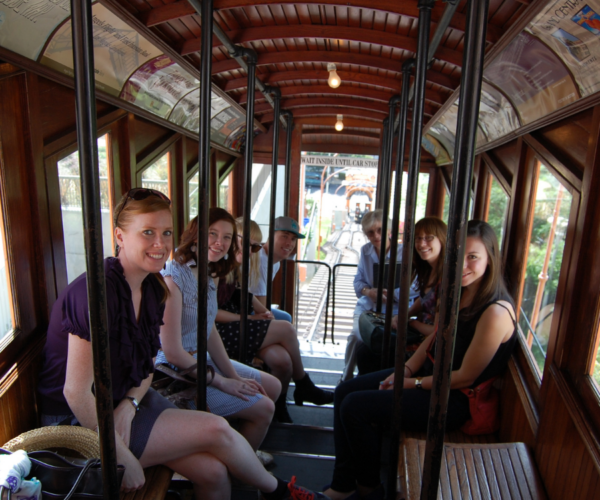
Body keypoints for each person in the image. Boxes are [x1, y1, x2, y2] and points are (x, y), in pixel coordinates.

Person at [37, 189, 327, 500]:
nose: (160, 244)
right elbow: (75, 392)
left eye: (165, 233)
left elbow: (146, 366)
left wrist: (130, 403)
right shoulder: (97, 293)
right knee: (216, 429)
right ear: (120, 236)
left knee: (213, 472)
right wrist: (118, 454)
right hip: (77, 424)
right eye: (147, 232)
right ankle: (282, 493)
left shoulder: (151, 288)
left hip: (124, 403)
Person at [323, 220, 517, 500]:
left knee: (356, 407)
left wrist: (410, 383)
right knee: (344, 392)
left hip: (454, 400)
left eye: (473, 257)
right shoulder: (459, 292)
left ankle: (368, 488)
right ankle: (343, 483)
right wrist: (406, 368)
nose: (462, 265)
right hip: (429, 376)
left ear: (491, 259)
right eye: (457, 255)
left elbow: (464, 377)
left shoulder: (495, 312)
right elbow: (436, 336)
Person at [157, 210, 281, 465]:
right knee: (265, 408)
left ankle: (239, 450)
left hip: (200, 357)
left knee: (274, 387)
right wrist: (223, 383)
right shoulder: (174, 277)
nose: (219, 242)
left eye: (226, 237)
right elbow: (172, 352)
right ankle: (240, 464)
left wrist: (234, 376)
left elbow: (208, 330)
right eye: (212, 234)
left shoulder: (207, 274)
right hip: (175, 371)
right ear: (194, 237)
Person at [216, 217, 334, 424]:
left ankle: (276, 407)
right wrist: (251, 318)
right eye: (283, 237)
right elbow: (211, 312)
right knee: (286, 327)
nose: (250, 249)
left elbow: (243, 296)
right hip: (222, 329)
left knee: (283, 361)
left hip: (237, 322)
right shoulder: (220, 268)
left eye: (254, 246)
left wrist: (262, 314)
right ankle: (304, 385)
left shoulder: (240, 264)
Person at [356, 217, 447, 375]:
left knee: (368, 352)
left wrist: (409, 322)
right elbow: (423, 299)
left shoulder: (445, 279)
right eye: (418, 238)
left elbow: (437, 331)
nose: (421, 244)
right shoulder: (428, 270)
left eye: (429, 238)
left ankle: (374, 390)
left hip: (428, 345)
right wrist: (407, 314)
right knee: (363, 346)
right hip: (415, 328)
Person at [341, 209, 408, 382]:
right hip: (368, 306)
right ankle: (346, 379)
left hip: (394, 309)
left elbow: (413, 288)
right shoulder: (366, 251)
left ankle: (371, 378)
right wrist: (368, 292)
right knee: (356, 336)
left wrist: (392, 294)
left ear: (388, 230)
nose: (376, 235)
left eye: (380, 230)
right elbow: (358, 280)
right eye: (370, 232)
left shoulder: (404, 252)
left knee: (383, 341)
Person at [250, 216, 304, 323]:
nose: (289, 243)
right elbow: (261, 310)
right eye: (284, 236)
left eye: (293, 239)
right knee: (285, 322)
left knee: (286, 318)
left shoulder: (275, 263)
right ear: (271, 235)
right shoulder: (261, 262)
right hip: (243, 311)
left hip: (251, 306)